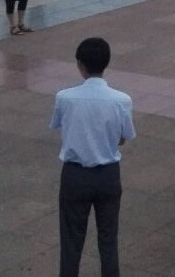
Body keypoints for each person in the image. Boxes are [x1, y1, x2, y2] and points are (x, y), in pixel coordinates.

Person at [51, 37, 136, 277]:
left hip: (74, 175)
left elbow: (58, 124)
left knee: (71, 240)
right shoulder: (122, 100)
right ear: (106, 63)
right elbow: (124, 137)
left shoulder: (65, 97)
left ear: (80, 65)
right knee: (108, 239)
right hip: (108, 175)